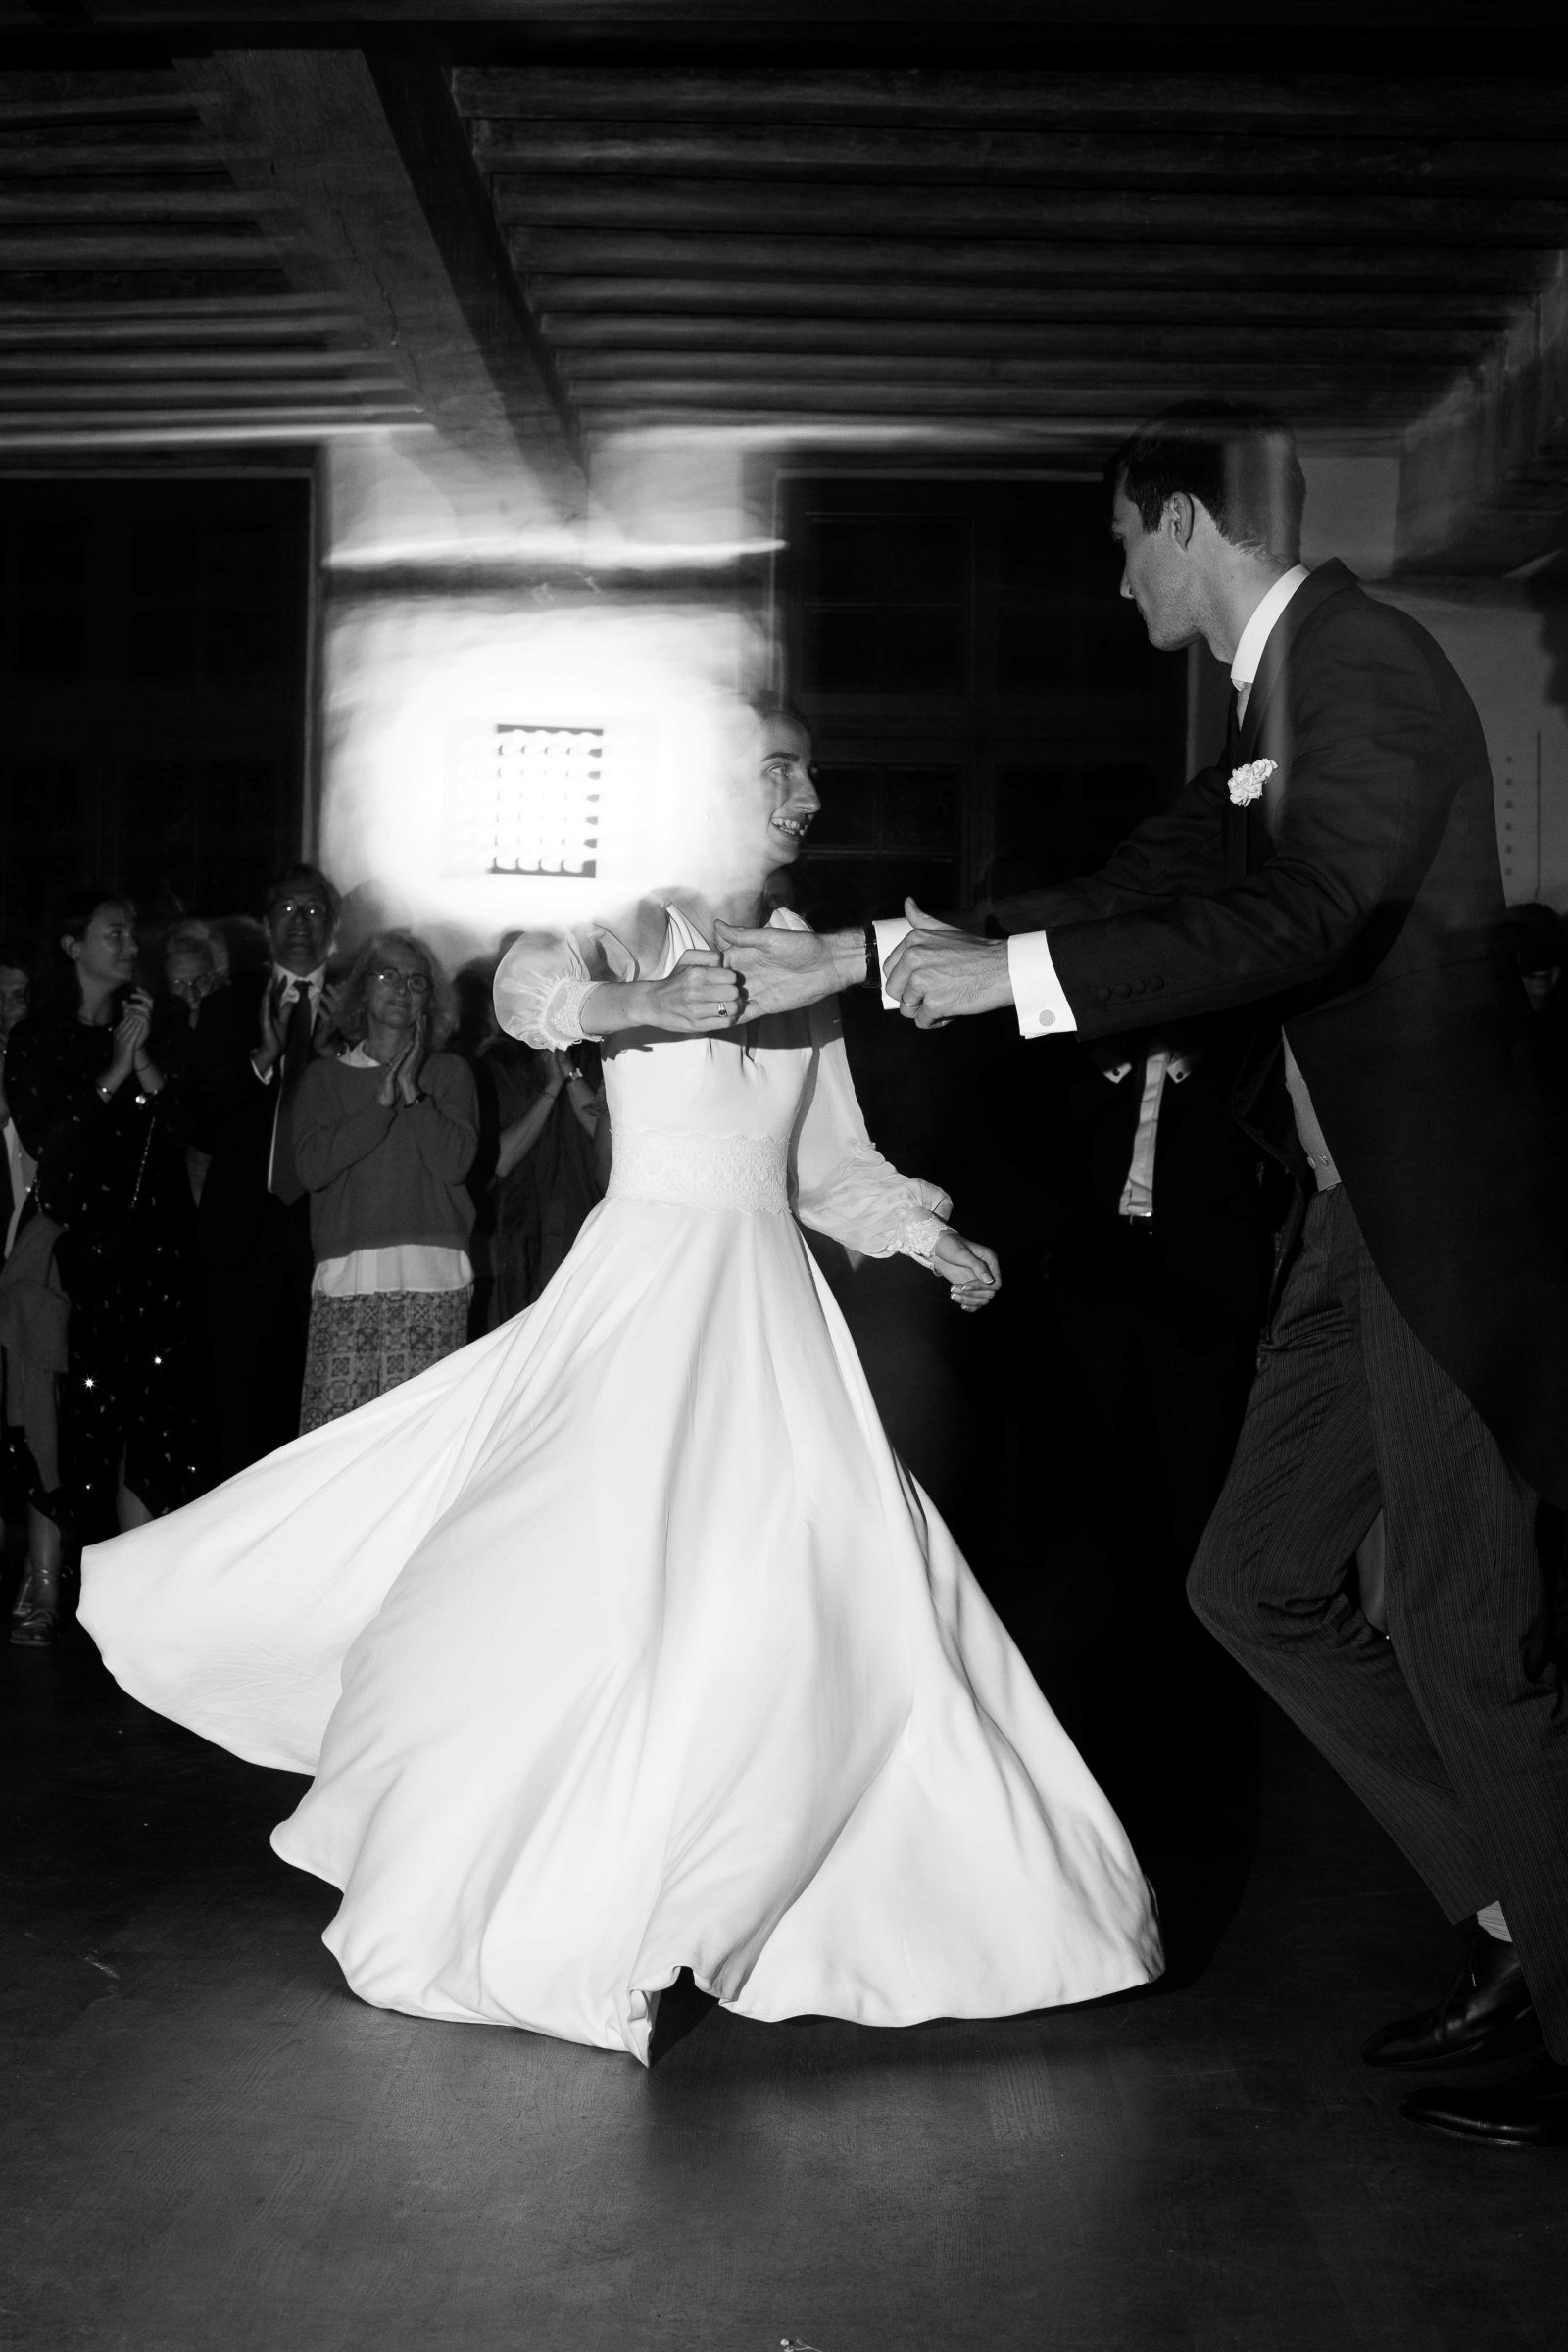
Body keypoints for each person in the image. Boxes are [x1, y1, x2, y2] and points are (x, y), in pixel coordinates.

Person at [76, 693, 1160, 2064]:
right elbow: (528, 991)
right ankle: (554, 1884)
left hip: (770, 1319)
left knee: (828, 1595)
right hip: (646, 1300)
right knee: (602, 1592)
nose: (806, 799)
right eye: (779, 772)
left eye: (808, 776)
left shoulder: (798, 958)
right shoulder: (633, 926)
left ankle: (804, 1888)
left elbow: (826, 1164)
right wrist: (638, 1004)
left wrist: (922, 1234)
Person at [720, 409, 1568, 2148]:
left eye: (1123, 545)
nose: (1117, 586)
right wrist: (878, 954)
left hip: (1442, 1217)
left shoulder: (1359, 663)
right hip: (1348, 1223)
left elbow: (1314, 916)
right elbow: (1143, 886)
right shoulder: (1271, 709)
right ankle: (1518, 1917)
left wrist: (1008, 982)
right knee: (1252, 1581)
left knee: (1467, 1631)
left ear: (1183, 520)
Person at [2, 889, 211, 1604]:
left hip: (153, 1258)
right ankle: (44, 1587)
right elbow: (48, 1143)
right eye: (112, 933)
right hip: (78, 1259)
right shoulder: (38, 1038)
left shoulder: (147, 1028)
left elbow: (186, 1131)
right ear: (72, 947)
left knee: (148, 1428)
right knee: (65, 1422)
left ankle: (133, 1598)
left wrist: (142, 1057)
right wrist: (113, 1072)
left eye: (130, 933)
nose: (129, 945)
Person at [292, 931, 478, 1429]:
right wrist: (380, 1104)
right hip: (346, 1277)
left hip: (433, 1276)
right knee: (339, 1439)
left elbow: (455, 1163)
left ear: (429, 999)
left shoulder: (450, 1074)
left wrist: (412, 1092)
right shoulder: (324, 1079)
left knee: (422, 1439)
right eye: (388, 975)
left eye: (416, 981)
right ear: (362, 990)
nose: (402, 988)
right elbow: (311, 1169)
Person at [191, 864, 339, 1476]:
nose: (300, 922)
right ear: (266, 922)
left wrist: (335, 1061)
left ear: (332, 925)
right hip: (243, 1227)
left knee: (318, 1402)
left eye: (313, 910)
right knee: (239, 1400)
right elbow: (201, 1118)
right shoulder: (228, 1003)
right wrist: (263, 1058)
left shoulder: (360, 1005)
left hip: (329, 1224)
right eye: (287, 910)